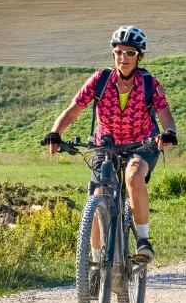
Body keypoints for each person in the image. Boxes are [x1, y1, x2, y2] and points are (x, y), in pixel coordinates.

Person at [43, 25, 176, 261]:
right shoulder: (100, 80)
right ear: (113, 53)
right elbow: (73, 110)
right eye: (118, 52)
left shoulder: (149, 84)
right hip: (105, 145)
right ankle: (94, 263)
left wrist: (169, 132)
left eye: (130, 53)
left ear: (139, 56)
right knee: (97, 195)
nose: (123, 58)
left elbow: (164, 111)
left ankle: (143, 241)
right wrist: (55, 132)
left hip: (141, 145)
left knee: (133, 177)